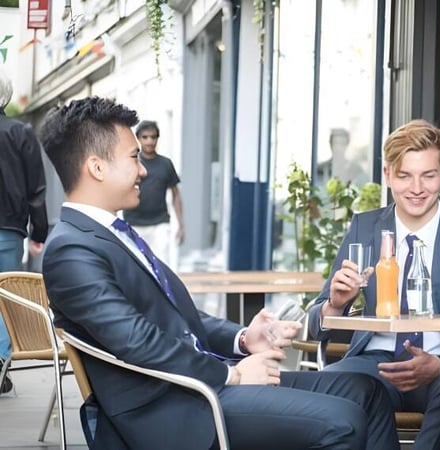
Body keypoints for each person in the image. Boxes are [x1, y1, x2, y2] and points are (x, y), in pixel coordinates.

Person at [40, 96, 400, 450]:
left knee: (367, 392)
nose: (144, 169)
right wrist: (235, 374)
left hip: (201, 386)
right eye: (134, 157)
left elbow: (181, 319)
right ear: (97, 167)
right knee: (342, 422)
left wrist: (244, 339)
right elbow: (138, 340)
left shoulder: (111, 234)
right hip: (176, 409)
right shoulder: (71, 250)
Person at [307, 119, 440, 450]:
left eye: (428, 175)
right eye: (405, 176)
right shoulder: (364, 228)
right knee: (322, 387)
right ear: (388, 175)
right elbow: (315, 324)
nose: (417, 188)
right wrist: (335, 302)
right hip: (375, 362)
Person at [0, 69, 49, 394]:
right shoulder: (20, 132)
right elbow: (36, 188)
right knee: (4, 298)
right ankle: (1, 363)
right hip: (8, 228)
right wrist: (39, 231)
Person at [122, 120, 184, 264]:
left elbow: (175, 195)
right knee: (137, 264)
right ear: (138, 138)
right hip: (134, 222)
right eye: (145, 137)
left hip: (160, 223)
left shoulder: (166, 164)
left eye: (153, 137)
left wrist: (181, 225)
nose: (149, 141)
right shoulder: (130, 162)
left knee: (162, 264)